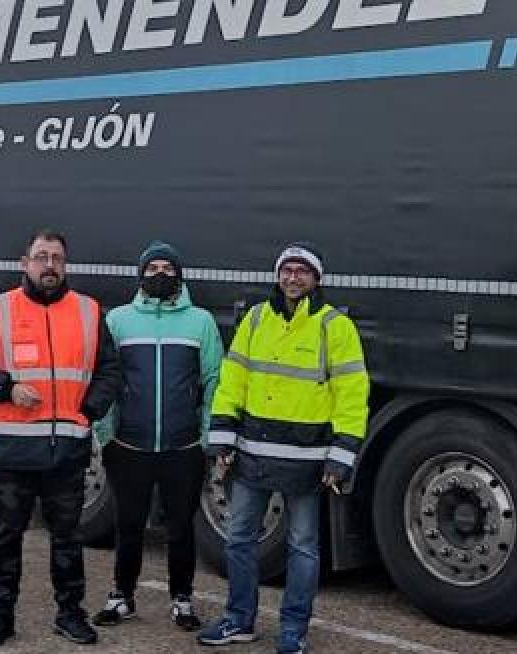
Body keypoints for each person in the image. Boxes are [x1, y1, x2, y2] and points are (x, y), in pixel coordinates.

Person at [197, 244, 370, 654]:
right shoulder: (256, 320)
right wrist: (221, 435)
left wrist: (341, 454)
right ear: (278, 276)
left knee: (303, 547)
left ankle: (293, 629)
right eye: (287, 271)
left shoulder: (335, 327)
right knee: (239, 539)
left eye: (302, 272)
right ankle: (239, 620)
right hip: (253, 452)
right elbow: (232, 379)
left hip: (307, 460)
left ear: (316, 279)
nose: (293, 278)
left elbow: (352, 392)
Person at [0, 229, 122, 648]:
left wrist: (89, 410)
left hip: (66, 452)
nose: (50, 265)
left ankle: (70, 614)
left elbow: (110, 371)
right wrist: (5, 387)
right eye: (42, 257)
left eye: (57, 258)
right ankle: (1, 615)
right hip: (11, 452)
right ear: (24, 263)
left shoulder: (87, 311)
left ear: (66, 265)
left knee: (68, 539)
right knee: (5, 538)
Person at [91, 241, 224, 632]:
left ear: (179, 275)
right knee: (128, 524)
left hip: (183, 449)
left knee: (181, 527)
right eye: (152, 268)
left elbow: (214, 381)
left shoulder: (200, 322)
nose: (160, 273)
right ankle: (121, 596)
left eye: (168, 267)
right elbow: (106, 379)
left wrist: (206, 437)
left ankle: (182, 599)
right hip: (129, 446)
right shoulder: (118, 320)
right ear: (141, 275)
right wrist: (106, 432)